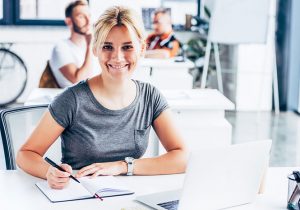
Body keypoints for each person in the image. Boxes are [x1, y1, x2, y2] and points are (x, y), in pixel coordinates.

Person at [17, 6, 188, 189]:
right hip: (79, 196)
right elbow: (26, 153)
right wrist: (48, 171)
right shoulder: (72, 99)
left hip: (130, 196)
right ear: (95, 49)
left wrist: (122, 166)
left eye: (128, 47)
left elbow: (182, 157)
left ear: (142, 49)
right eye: (107, 47)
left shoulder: (150, 97)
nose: (117, 57)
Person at [49, 0, 95, 88]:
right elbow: (79, 80)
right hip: (74, 99)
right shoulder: (61, 47)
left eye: (89, 16)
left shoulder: (97, 46)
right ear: (69, 21)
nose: (88, 21)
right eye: (81, 16)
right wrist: (90, 45)